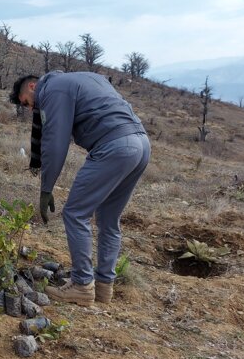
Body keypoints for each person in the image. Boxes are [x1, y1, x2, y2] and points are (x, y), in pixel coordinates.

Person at [10, 71, 150, 306]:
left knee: (75, 214)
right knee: (108, 219)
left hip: (114, 146)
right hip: (141, 144)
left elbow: (55, 140)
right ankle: (104, 286)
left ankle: (82, 285)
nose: (30, 108)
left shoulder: (53, 89)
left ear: (33, 87)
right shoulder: (84, 77)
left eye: (26, 102)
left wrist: (46, 187)